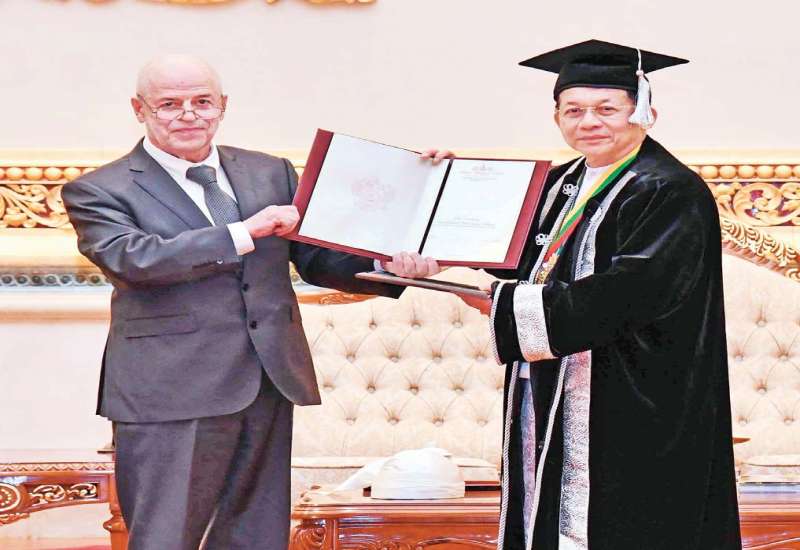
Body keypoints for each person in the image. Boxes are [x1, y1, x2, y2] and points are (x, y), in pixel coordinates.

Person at [61, 54, 437, 550]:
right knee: (165, 537)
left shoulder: (270, 172)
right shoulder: (98, 189)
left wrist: (389, 263)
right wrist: (243, 232)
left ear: (223, 106)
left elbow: (318, 259)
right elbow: (134, 260)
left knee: (257, 537)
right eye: (169, 104)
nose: (189, 114)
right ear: (139, 109)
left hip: (266, 379)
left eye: (202, 102)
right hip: (169, 390)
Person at [423, 40, 740, 550]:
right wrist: (440, 188)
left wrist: (502, 301)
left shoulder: (668, 189)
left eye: (606, 109)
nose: (589, 121)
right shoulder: (561, 182)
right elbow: (510, 249)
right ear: (557, 118)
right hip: (554, 384)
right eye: (573, 110)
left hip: (638, 393)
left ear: (644, 113)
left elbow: (628, 294)